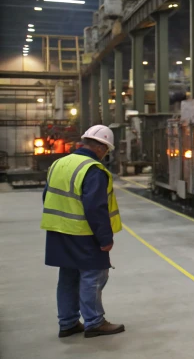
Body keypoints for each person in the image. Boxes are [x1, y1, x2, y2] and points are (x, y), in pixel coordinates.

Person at [41, 125, 125, 339]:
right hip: (83, 233)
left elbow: (46, 196)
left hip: (59, 231)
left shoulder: (59, 163)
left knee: (68, 276)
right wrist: (105, 239)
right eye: (106, 150)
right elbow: (95, 208)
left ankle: (68, 322)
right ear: (101, 147)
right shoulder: (93, 170)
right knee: (93, 276)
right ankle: (94, 322)